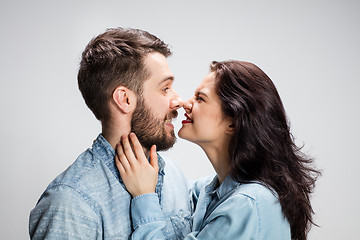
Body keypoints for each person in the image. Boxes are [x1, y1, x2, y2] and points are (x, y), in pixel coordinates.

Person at [115, 60, 321, 240]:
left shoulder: (247, 205)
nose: (184, 103)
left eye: (200, 98)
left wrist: (144, 195)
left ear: (232, 123)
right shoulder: (212, 191)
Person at [29, 27, 193, 239]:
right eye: (165, 88)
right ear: (124, 99)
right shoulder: (70, 204)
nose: (178, 101)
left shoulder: (174, 175)